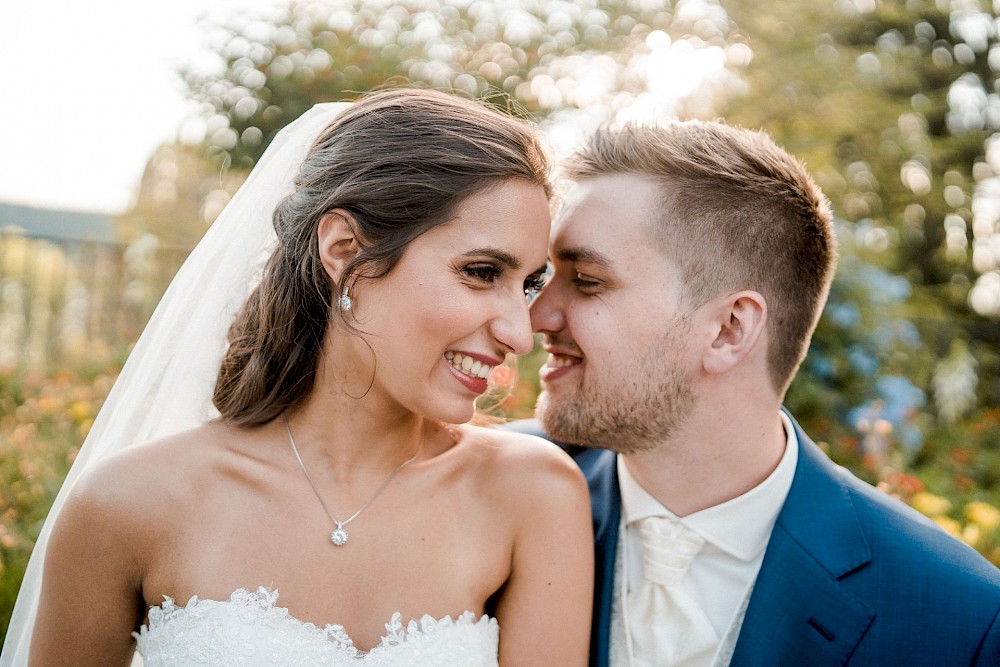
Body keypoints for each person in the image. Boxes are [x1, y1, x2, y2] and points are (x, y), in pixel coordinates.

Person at [1, 89, 593, 666]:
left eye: (528, 284)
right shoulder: (129, 503)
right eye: (482, 271)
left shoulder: (532, 497)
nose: (520, 332)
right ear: (343, 249)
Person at [517, 119, 1000, 665]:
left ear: (729, 329)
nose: (532, 316)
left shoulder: (962, 620)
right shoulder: (484, 495)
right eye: (544, 278)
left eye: (586, 281)